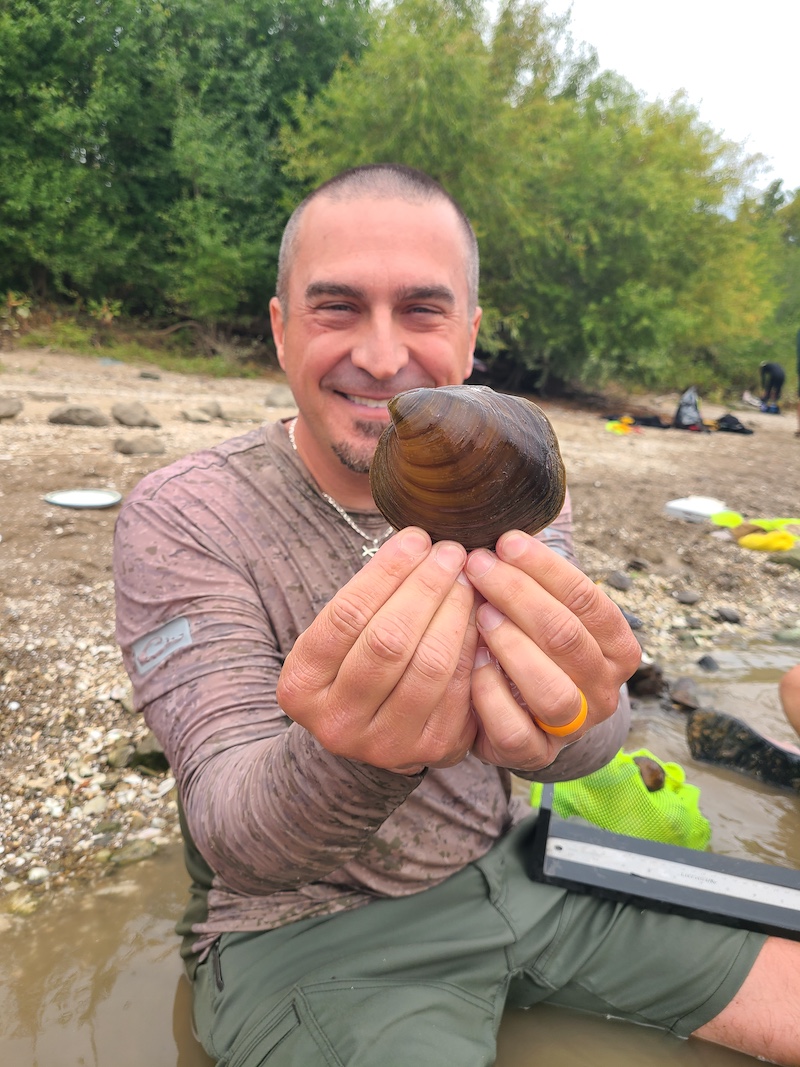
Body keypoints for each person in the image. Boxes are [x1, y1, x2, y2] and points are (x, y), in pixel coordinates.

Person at [113, 164, 800, 1067]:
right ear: (280, 331)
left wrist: (577, 721)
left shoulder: (518, 492)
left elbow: (591, 741)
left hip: (527, 860)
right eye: (336, 308)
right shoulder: (185, 515)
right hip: (307, 929)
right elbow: (234, 832)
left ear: (471, 336)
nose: (384, 354)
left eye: (424, 310)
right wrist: (356, 758)